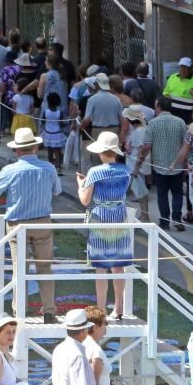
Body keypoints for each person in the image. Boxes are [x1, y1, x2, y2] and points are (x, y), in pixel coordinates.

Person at [0, 127, 62, 320]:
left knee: (20, 268)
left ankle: (20, 310)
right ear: (35, 147)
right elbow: (56, 192)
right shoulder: (49, 168)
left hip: (17, 224)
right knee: (45, 267)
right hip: (43, 222)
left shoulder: (10, 170)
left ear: (17, 150)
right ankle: (49, 311)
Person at [78, 131, 132, 318]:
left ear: (102, 152)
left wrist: (80, 185)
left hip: (100, 217)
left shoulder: (95, 172)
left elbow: (85, 200)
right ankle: (118, 307)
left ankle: (100, 308)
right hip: (119, 216)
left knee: (101, 266)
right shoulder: (125, 171)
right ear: (115, 152)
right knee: (118, 265)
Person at [134, 97, 188, 230]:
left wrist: (140, 160)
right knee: (177, 193)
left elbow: (147, 146)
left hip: (159, 165)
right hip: (177, 165)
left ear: (158, 107)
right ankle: (177, 219)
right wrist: (185, 163)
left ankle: (164, 221)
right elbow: (185, 145)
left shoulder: (153, 123)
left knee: (162, 193)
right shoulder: (180, 122)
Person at [80, 76, 123, 171]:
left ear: (97, 85)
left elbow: (87, 119)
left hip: (98, 130)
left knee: (98, 158)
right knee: (113, 156)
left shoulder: (92, 99)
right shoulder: (115, 99)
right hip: (114, 129)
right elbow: (121, 118)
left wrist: (81, 127)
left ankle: (100, 178)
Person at [163, 57, 193, 123]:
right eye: (181, 67)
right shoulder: (172, 78)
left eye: (186, 67)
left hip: (187, 115)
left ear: (190, 69)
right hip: (172, 113)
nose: (183, 69)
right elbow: (165, 93)